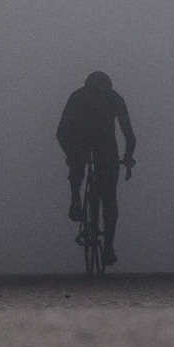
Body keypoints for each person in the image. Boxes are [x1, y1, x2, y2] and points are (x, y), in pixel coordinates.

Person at [56, 70, 136, 264]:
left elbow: (61, 132)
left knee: (106, 194)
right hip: (95, 145)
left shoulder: (81, 96)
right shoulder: (112, 98)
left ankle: (76, 199)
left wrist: (71, 155)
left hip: (97, 146)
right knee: (109, 198)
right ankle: (107, 245)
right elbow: (129, 135)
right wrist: (127, 156)